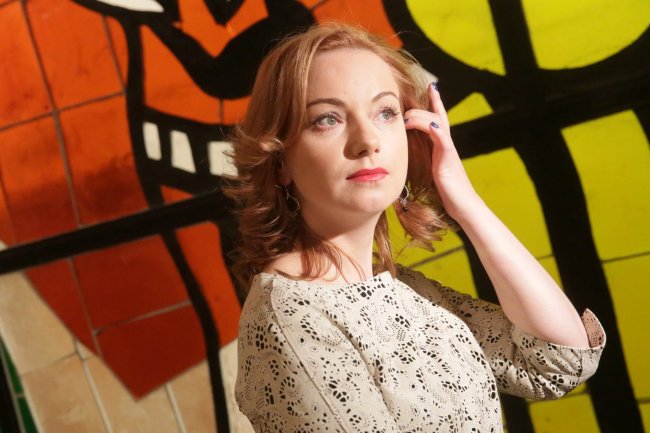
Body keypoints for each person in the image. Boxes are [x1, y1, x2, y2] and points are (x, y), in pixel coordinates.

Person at [225, 22, 605, 433]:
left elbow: (560, 359)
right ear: (279, 160)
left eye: (385, 113)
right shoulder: (289, 315)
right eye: (327, 119)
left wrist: (465, 203)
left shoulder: (403, 289)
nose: (368, 140)